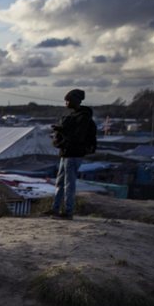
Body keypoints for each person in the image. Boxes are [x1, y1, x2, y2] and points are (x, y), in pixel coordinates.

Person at [49, 89, 96, 219]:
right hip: (66, 153)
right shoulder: (76, 115)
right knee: (60, 182)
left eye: (68, 100)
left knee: (69, 183)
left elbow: (78, 137)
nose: (66, 103)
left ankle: (68, 212)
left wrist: (61, 131)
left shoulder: (83, 117)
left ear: (76, 100)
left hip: (73, 154)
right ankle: (55, 208)